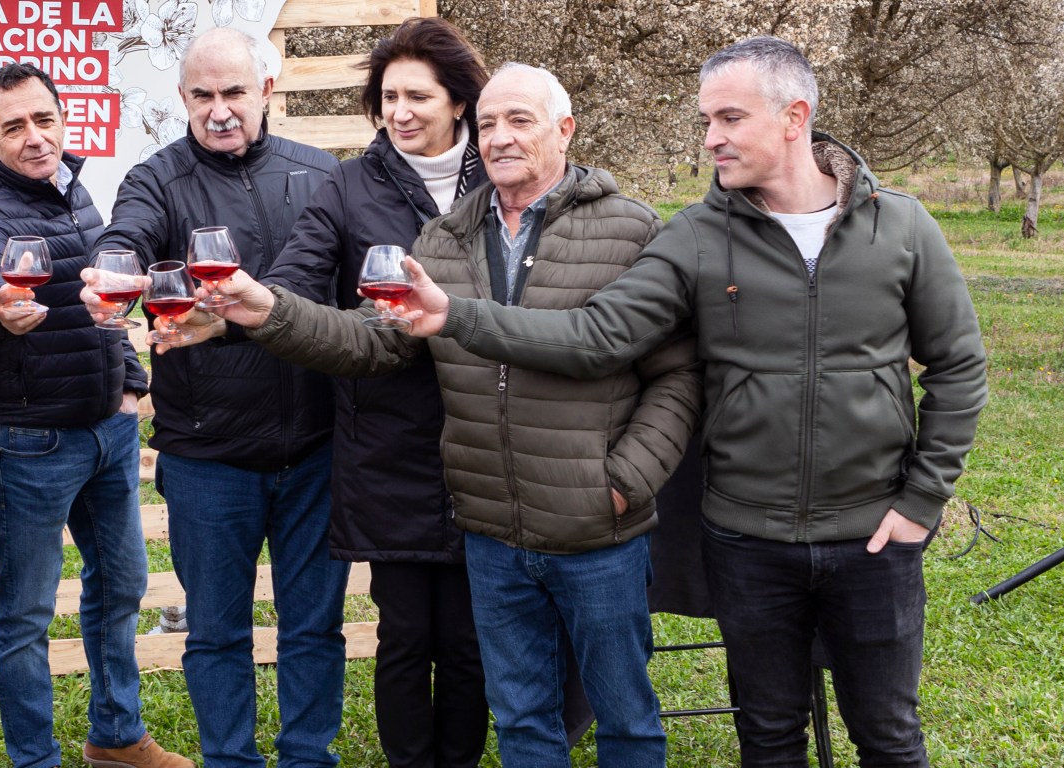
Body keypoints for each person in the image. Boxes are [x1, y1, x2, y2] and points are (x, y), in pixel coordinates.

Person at [354, 37, 988, 768]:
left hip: (873, 535)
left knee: (889, 736)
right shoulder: (695, 236)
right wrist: (455, 315)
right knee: (769, 735)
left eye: (729, 118)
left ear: (794, 117)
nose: (711, 138)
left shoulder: (900, 225)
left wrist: (921, 501)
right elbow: (598, 336)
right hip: (747, 536)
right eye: (706, 120)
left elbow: (958, 364)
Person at [176, 61, 702, 767]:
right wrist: (268, 310)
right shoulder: (444, 240)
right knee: (521, 721)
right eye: (489, 123)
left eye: (520, 121)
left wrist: (627, 477)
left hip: (596, 527)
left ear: (565, 129)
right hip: (489, 531)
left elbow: (676, 375)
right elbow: (372, 340)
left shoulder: (630, 228)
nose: (500, 137)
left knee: (627, 719)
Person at [88, 26, 346, 768]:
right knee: (216, 633)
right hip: (209, 455)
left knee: (313, 629)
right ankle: (230, 761)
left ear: (266, 89)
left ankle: (308, 759)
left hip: (316, 449)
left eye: (234, 91)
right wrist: (113, 270)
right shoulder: (157, 179)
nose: (219, 109)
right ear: (182, 98)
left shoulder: (320, 173)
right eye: (202, 95)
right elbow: (126, 235)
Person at [255, 19, 493, 767]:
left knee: (469, 639)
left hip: (488, 437)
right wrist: (244, 310)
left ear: (459, 101)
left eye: (418, 96)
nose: (400, 112)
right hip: (388, 443)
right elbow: (294, 282)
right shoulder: (350, 184)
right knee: (406, 634)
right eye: (389, 97)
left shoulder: (501, 176)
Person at [0, 62, 189, 768]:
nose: (35, 137)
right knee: (27, 610)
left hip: (105, 428)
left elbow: (104, 297)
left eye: (44, 119)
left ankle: (116, 737)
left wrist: (130, 384)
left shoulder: (72, 187)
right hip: (27, 439)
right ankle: (34, 758)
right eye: (14, 126)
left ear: (62, 117)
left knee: (122, 586)